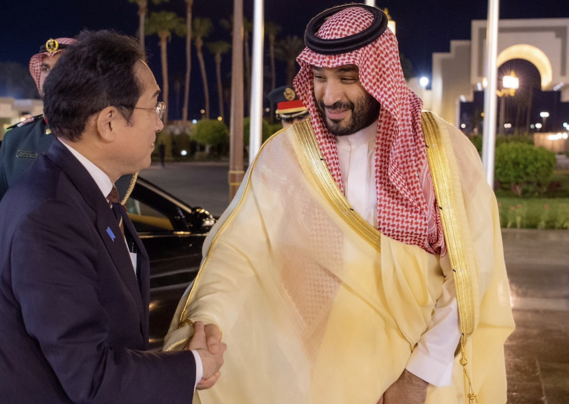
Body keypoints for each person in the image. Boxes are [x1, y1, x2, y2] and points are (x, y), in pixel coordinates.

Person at [165, 5, 513, 404]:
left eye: (347, 79)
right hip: (319, 375)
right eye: (319, 78)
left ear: (381, 76)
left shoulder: (443, 152)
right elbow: (239, 252)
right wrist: (208, 319)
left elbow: (470, 274)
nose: (330, 96)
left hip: (422, 379)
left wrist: (417, 379)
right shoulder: (288, 153)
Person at [0, 30, 226, 403]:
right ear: (109, 122)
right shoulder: (49, 217)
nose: (160, 124)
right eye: (154, 107)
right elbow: (91, 379)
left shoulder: (80, 191)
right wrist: (195, 366)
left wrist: (177, 361)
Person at [0, 37, 135, 291]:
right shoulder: (18, 137)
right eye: (45, 69)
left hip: (74, 279)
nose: (49, 76)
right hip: (14, 284)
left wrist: (6, 262)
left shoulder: (105, 137)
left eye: (59, 69)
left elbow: (88, 222)